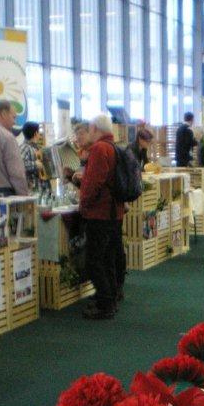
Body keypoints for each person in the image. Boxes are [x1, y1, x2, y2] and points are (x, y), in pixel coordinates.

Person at [79, 114, 124, 320]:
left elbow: (93, 182)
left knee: (94, 260)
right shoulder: (114, 147)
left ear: (95, 129)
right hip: (114, 212)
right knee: (108, 258)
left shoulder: (99, 149)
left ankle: (105, 303)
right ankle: (110, 298)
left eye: (89, 129)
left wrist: (84, 203)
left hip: (100, 212)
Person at [20, 121, 47, 192]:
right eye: (39, 132)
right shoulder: (24, 147)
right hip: (31, 190)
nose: (40, 134)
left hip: (41, 188)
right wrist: (35, 165)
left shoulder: (37, 148)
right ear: (35, 133)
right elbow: (19, 165)